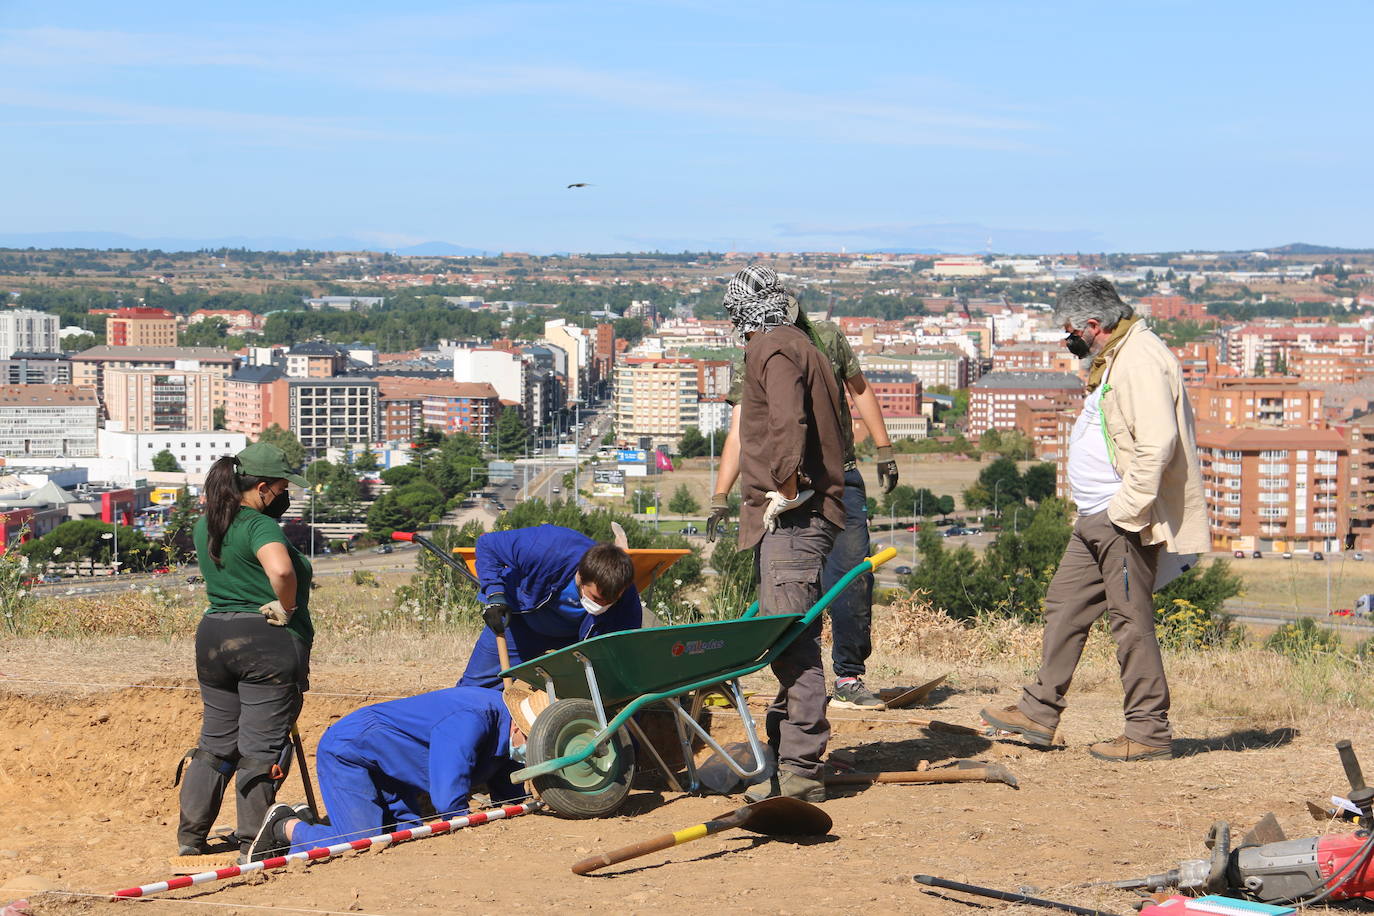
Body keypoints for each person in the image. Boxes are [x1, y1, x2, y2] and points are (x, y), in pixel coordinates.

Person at [980, 275, 1207, 762]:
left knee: (1131, 622)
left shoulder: (1141, 360)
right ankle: (1039, 710)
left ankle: (1147, 731)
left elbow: (1157, 444)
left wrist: (1126, 510)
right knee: (1064, 605)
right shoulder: (1116, 355)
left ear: (1092, 324)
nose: (1067, 338)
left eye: (1069, 329)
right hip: (1095, 518)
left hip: (1119, 517)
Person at [709, 265, 899, 709]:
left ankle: (848, 676)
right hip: (786, 489)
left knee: (850, 581)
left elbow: (859, 391)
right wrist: (722, 493)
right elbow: (744, 429)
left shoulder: (824, 338)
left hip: (832, 477)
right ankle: (800, 681)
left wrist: (884, 447)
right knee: (794, 588)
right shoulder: (758, 352)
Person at [721, 264, 847, 802]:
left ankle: (798, 773)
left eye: (735, 319)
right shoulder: (800, 341)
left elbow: (787, 423)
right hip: (800, 515)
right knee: (788, 639)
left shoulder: (771, 349)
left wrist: (786, 487)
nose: (736, 331)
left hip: (793, 519)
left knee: (792, 646)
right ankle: (783, 756)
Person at [176, 442, 313, 856]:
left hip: (215, 637)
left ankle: (190, 838)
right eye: (283, 486)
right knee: (261, 748)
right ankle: (254, 840)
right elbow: (281, 569)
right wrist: (286, 608)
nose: (286, 495)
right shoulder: (258, 524)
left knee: (215, 744)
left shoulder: (209, 522)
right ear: (263, 487)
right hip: (265, 643)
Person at [246, 685, 531, 861]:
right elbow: (448, 800)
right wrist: (463, 824)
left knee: (407, 835)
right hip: (351, 750)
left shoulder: (508, 737)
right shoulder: (473, 719)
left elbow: (509, 799)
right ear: (517, 727)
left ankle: (315, 826)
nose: (530, 753)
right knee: (359, 844)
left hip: (393, 768)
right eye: (530, 741)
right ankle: (285, 827)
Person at [457, 524, 640, 689]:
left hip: (572, 641)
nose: (603, 605)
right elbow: (487, 544)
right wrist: (496, 596)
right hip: (520, 623)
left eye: (611, 601)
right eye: (597, 598)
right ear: (581, 576)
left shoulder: (627, 598)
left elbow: (622, 655)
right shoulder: (547, 547)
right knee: (475, 687)